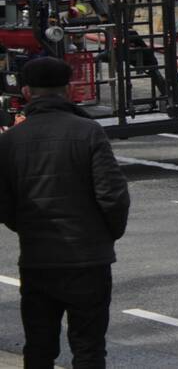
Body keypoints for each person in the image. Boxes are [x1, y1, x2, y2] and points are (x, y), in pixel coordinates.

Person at [0, 57, 130, 368]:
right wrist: (105, 235)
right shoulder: (89, 132)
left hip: (37, 260)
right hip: (89, 259)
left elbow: (4, 204)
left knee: (39, 348)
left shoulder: (10, 142)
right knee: (89, 349)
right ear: (68, 90)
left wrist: (28, 228)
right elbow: (113, 196)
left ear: (27, 92)